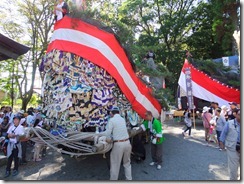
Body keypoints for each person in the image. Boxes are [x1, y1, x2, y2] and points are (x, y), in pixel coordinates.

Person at [101, 106, 132, 180]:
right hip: (127, 143)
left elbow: (108, 133)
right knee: (127, 163)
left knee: (115, 165)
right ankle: (129, 179)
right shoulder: (122, 119)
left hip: (119, 145)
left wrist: (103, 137)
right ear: (118, 112)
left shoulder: (111, 120)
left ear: (112, 113)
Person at [219, 109, 240, 180]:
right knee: (233, 168)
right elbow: (223, 134)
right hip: (232, 148)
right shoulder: (229, 123)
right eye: (240, 114)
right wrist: (221, 143)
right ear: (236, 114)